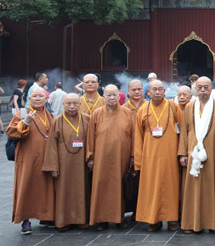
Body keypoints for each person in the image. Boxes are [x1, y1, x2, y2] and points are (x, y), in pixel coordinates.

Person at [179, 77, 215, 233]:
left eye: (206, 87)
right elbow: (184, 131)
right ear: (195, 88)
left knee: (212, 187)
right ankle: (190, 223)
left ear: (211, 88)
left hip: (213, 153)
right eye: (199, 87)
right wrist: (183, 154)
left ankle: (213, 222)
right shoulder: (189, 106)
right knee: (192, 188)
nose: (202, 90)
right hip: (193, 153)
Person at [134, 79, 183, 232]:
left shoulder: (173, 106)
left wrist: (182, 153)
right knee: (151, 188)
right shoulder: (143, 109)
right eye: (154, 89)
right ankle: (152, 220)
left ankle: (172, 219)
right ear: (148, 92)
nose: (157, 92)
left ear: (165, 91)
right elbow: (138, 136)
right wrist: (138, 160)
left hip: (170, 156)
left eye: (160, 89)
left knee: (171, 187)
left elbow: (184, 130)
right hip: (150, 158)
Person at [6, 87, 54, 234]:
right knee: (26, 186)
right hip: (27, 157)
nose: (38, 98)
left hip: (45, 157)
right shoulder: (23, 113)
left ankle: (45, 216)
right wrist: (25, 122)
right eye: (35, 96)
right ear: (29, 98)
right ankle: (25, 220)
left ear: (46, 99)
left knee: (46, 187)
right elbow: (11, 132)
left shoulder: (49, 114)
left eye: (41, 96)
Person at [86, 85, 134, 230]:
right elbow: (90, 137)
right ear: (104, 97)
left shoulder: (127, 113)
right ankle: (102, 219)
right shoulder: (97, 113)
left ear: (119, 95)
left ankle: (119, 218)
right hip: (101, 157)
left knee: (119, 187)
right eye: (109, 95)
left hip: (122, 156)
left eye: (114, 95)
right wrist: (90, 156)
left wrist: (132, 156)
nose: (112, 98)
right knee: (101, 186)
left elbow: (133, 136)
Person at [42, 93, 89, 231]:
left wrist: (91, 159)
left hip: (82, 163)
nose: (72, 106)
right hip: (64, 163)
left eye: (75, 103)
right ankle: (64, 221)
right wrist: (53, 167)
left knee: (82, 190)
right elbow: (51, 145)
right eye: (68, 103)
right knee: (64, 192)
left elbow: (93, 141)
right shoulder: (57, 120)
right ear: (63, 105)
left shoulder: (86, 119)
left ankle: (81, 219)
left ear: (80, 105)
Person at [123, 79, 144, 222]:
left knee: (144, 182)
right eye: (133, 90)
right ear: (128, 91)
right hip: (128, 150)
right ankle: (131, 210)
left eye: (139, 89)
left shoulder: (149, 106)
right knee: (130, 183)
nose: (136, 92)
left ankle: (142, 211)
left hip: (146, 150)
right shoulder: (123, 109)